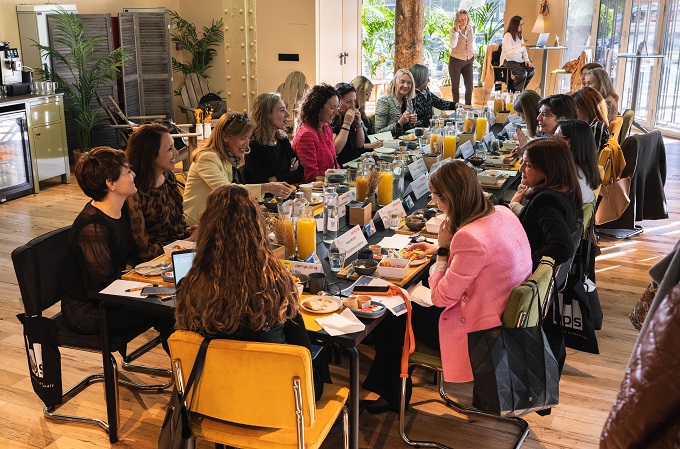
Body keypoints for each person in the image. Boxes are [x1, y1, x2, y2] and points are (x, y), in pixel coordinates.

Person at [361, 160, 533, 414]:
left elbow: (441, 297)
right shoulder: (502, 212)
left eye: (436, 199)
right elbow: (482, 261)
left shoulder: (469, 237)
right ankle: (391, 391)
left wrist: (443, 251)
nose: (436, 204)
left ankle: (392, 396)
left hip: (481, 337)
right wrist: (445, 250)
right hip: (505, 321)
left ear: (447, 198)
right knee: (404, 312)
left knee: (394, 314)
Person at [174, 185, 328, 397]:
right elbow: (302, 350)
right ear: (257, 229)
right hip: (276, 399)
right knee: (319, 359)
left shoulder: (189, 286)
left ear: (206, 229)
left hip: (214, 398)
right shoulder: (276, 284)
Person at [60, 147, 173, 340]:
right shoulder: (92, 226)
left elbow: (132, 256)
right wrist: (147, 288)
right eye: (128, 172)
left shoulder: (121, 209)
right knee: (169, 310)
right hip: (89, 310)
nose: (134, 174)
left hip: (115, 293)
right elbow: (103, 286)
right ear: (110, 183)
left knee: (173, 303)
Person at [510, 138, 582, 377]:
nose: (521, 169)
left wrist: (529, 261)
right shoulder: (565, 190)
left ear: (547, 170)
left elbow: (561, 246)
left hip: (522, 285)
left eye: (528, 165)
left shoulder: (545, 201)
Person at [183, 113, 293, 225]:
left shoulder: (232, 158)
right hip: (197, 226)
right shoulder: (207, 158)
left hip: (218, 221)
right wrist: (266, 187)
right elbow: (226, 191)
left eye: (248, 138)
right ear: (225, 137)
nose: (247, 144)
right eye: (242, 138)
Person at [125, 123, 195, 262]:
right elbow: (144, 252)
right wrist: (189, 240)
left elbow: (177, 225)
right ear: (150, 154)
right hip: (155, 263)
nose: (176, 152)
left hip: (180, 252)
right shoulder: (134, 191)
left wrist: (191, 231)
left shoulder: (169, 177)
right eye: (170, 149)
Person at [245, 93, 304, 185]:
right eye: (281, 110)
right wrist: (289, 172)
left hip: (287, 195)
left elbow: (300, 173)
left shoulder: (282, 140)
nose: (287, 114)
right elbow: (262, 184)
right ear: (267, 114)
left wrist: (276, 178)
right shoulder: (254, 146)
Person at [292, 83, 341, 182]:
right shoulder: (307, 135)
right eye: (332, 108)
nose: (336, 113)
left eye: (337, 107)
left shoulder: (326, 127)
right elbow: (310, 176)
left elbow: (334, 165)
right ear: (318, 108)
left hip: (328, 186)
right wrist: (339, 175)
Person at [555, 119, 602, 205]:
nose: (552, 141)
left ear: (568, 143)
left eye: (556, 138)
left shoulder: (568, 177)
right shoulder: (584, 171)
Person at [332, 82, 370, 166]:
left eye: (354, 101)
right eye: (349, 102)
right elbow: (335, 149)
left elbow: (359, 144)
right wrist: (347, 123)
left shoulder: (349, 116)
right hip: (341, 165)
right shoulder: (332, 119)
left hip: (354, 162)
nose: (352, 105)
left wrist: (358, 124)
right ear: (338, 101)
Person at [410, 63, 457, 128]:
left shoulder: (426, 92)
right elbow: (413, 123)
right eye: (427, 77)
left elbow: (440, 103)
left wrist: (458, 105)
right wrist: (434, 119)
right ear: (420, 79)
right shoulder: (410, 96)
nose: (429, 80)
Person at [374, 68, 417, 137]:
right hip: (389, 145)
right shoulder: (384, 101)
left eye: (409, 83)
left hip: (404, 143)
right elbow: (378, 133)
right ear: (395, 82)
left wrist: (412, 123)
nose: (406, 85)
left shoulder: (408, 100)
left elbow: (407, 131)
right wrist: (399, 123)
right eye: (402, 82)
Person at [500, 16, 535, 92]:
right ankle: (514, 92)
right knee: (522, 74)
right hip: (508, 60)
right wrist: (521, 46)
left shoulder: (520, 36)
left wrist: (527, 60)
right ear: (515, 25)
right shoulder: (507, 36)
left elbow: (524, 50)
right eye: (520, 24)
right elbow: (508, 51)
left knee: (532, 70)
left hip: (518, 60)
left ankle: (521, 89)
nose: (521, 26)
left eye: (522, 24)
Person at [448, 9, 475, 105]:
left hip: (468, 61)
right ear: (457, 20)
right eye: (460, 19)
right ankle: (456, 106)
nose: (463, 21)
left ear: (468, 19)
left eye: (465, 19)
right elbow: (453, 44)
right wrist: (456, 31)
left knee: (470, 85)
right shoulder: (453, 31)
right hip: (456, 61)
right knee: (455, 86)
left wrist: (472, 52)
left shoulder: (470, 29)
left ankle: (468, 106)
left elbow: (470, 43)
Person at [570, 87, 610, 151]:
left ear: (586, 108)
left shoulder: (596, 128)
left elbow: (592, 157)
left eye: (576, 108)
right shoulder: (593, 125)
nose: (575, 112)